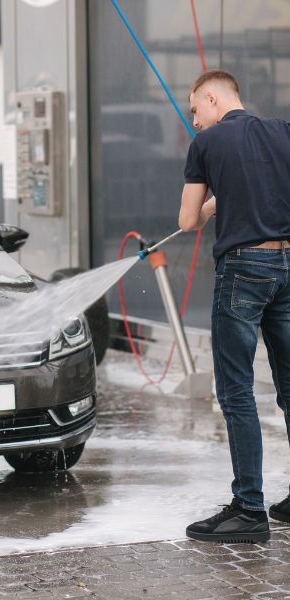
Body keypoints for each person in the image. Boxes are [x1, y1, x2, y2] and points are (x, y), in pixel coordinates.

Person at [179, 68, 290, 543]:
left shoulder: (206, 145)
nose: (195, 122)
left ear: (211, 96)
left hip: (242, 271)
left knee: (237, 393)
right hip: (288, 265)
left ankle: (248, 509)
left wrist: (212, 206)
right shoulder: (283, 131)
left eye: (195, 111)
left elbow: (187, 221)